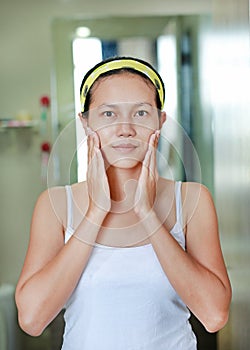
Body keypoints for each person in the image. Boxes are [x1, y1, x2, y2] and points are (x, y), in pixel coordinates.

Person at [15, 56, 231, 350]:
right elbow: (32, 319)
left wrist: (148, 214)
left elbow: (214, 315)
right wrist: (95, 212)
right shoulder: (56, 205)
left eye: (141, 113)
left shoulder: (192, 200)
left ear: (161, 121)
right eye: (108, 114)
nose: (125, 129)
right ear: (86, 122)